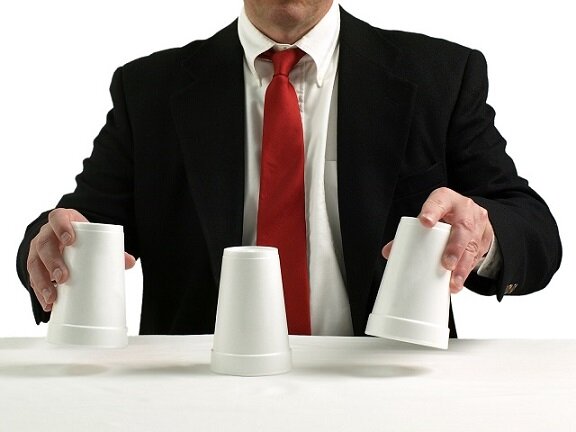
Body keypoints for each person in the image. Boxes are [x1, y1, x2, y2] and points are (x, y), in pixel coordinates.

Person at [16, 0, 562, 336]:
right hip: (197, 396)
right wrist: (49, 245)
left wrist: (482, 236)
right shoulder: (150, 89)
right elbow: (79, 223)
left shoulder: (439, 75)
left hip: (388, 392)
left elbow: (534, 231)